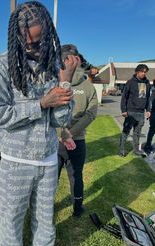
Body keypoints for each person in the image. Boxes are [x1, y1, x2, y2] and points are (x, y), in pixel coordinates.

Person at [0, 2, 78, 246]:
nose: (32, 46)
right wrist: (40, 103)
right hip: (15, 159)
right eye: (26, 40)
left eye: (37, 40)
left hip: (48, 159)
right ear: (15, 35)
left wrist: (64, 84)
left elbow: (61, 119)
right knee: (11, 217)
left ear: (47, 34)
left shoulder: (53, 66)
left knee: (44, 216)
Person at [58, 44, 98, 218]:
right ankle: (77, 208)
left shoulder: (55, 83)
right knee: (76, 176)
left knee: (50, 178)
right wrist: (71, 134)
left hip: (56, 141)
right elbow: (91, 114)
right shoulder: (88, 86)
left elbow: (48, 111)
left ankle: (43, 210)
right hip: (77, 140)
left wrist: (63, 133)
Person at [119, 64, 151, 157]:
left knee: (137, 133)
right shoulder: (130, 82)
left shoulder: (147, 83)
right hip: (131, 112)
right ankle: (121, 150)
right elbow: (124, 97)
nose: (143, 74)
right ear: (137, 71)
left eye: (145, 72)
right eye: (142, 71)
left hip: (141, 113)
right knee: (126, 131)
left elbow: (148, 98)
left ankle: (136, 150)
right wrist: (124, 110)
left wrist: (148, 110)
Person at [144, 79, 155, 154]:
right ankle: (147, 146)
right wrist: (149, 111)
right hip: (154, 114)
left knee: (152, 130)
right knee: (152, 130)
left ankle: (148, 145)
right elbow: (150, 102)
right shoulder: (153, 92)